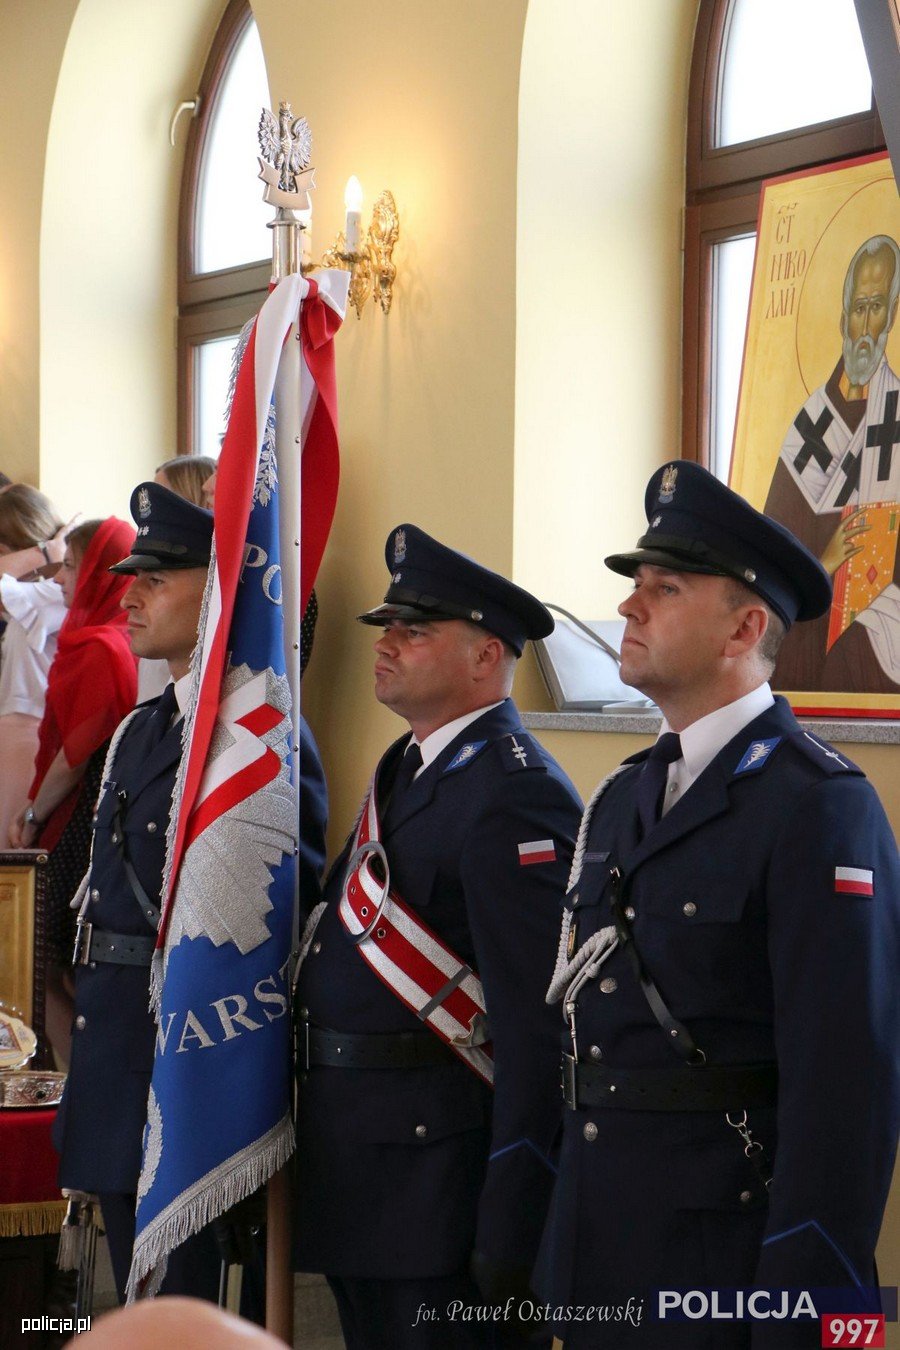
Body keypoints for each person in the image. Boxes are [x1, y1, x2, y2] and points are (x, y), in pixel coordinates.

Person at [537, 461, 900, 1348]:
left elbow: (844, 1093)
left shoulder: (816, 806)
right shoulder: (622, 796)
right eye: (636, 584)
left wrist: (806, 1307)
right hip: (598, 1246)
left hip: (722, 1264)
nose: (628, 606)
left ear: (744, 627)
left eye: (664, 588)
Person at [292, 524, 583, 1350]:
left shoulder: (516, 794)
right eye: (387, 627)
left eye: (414, 630)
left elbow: (535, 1029)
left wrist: (514, 1213)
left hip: (438, 1183)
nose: (386, 644)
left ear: (487, 656)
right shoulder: (410, 765)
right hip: (361, 1162)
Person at [52, 481, 327, 1306]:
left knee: (184, 1301)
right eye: (130, 578)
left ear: (218, 597)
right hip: (115, 1043)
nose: (129, 598)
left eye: (156, 580)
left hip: (187, 1052)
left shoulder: (256, 739)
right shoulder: (143, 728)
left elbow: (278, 911)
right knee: (134, 1292)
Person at [765, 234, 900, 692]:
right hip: (806, 631)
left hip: (880, 630)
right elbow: (772, 556)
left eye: (877, 307)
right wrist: (824, 562)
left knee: (855, 645)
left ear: (891, 316)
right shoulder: (810, 427)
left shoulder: (896, 415)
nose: (866, 326)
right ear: (844, 318)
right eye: (859, 308)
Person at [0, 485, 69, 849]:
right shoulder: (37, 591)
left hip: (29, 735)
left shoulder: (53, 593)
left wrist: (42, 552)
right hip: (18, 733)